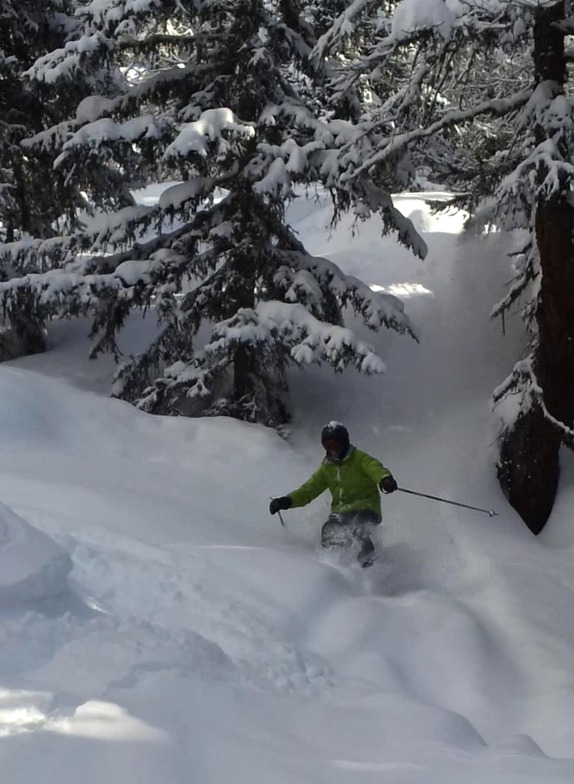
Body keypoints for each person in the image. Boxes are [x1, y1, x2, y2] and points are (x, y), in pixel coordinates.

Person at [269, 421, 397, 567]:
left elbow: (374, 468)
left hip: (366, 507)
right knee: (329, 530)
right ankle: (335, 568)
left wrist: (385, 479)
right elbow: (308, 490)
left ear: (344, 443)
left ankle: (369, 567)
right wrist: (286, 501)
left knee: (358, 528)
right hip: (341, 511)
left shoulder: (358, 459)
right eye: (327, 446)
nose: (331, 450)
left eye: (334, 445)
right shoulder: (327, 469)